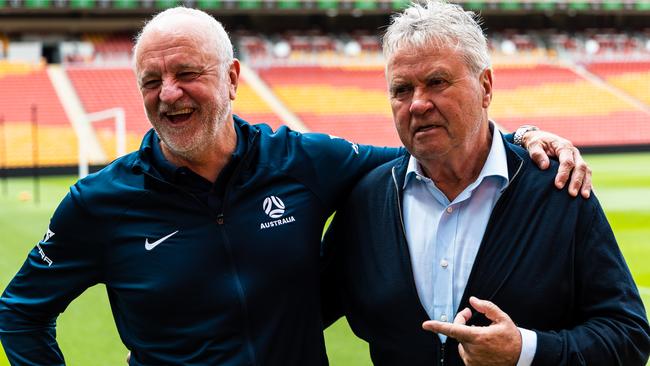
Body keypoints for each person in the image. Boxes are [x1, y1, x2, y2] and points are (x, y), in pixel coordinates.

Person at [0, 7, 591, 366]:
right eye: (151, 81)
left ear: (232, 78)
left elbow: (429, 148)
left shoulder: (304, 162)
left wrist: (522, 138)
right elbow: (19, 314)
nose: (168, 93)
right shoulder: (99, 203)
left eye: (187, 74)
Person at [320, 1, 650, 365]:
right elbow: (294, 312)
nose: (417, 104)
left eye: (437, 82)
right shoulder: (366, 201)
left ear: (486, 87)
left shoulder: (559, 189)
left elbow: (628, 336)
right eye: (401, 89)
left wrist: (525, 351)